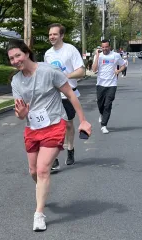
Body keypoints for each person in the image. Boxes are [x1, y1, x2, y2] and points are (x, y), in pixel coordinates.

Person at [8, 40, 92, 232]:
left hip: (54, 124)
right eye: (11, 58)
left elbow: (71, 94)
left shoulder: (48, 71)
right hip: (33, 128)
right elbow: (20, 114)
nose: (15, 61)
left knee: (43, 168)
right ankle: (42, 190)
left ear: (27, 53)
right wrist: (21, 113)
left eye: (18, 56)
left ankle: (39, 214)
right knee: (33, 171)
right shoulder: (16, 81)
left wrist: (83, 120)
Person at [44, 23, 86, 170]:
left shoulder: (70, 50)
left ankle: (70, 149)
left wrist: (65, 76)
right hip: (53, 94)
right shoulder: (48, 54)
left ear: (61, 35)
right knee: (53, 125)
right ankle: (54, 157)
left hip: (69, 92)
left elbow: (81, 72)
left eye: (54, 34)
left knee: (68, 124)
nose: (51, 37)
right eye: (50, 34)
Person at [92, 39, 125, 134]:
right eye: (103, 47)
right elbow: (94, 70)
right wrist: (97, 56)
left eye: (106, 47)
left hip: (112, 84)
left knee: (108, 105)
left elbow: (123, 65)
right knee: (100, 103)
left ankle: (104, 125)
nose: (105, 49)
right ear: (101, 47)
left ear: (109, 47)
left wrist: (118, 71)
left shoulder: (116, 55)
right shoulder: (98, 56)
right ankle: (101, 114)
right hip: (100, 84)